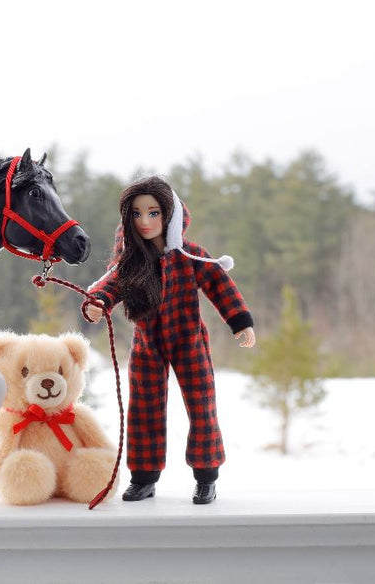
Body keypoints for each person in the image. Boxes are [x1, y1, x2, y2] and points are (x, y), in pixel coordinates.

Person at [82, 175, 255, 504]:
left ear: (170, 215)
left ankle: (206, 476)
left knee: (202, 406)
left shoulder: (190, 255)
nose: (145, 221)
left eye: (154, 212)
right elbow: (108, 287)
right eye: (137, 214)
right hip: (147, 345)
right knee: (143, 409)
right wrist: (96, 304)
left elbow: (220, 285)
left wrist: (240, 322)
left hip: (189, 341)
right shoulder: (131, 262)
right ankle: (144, 477)